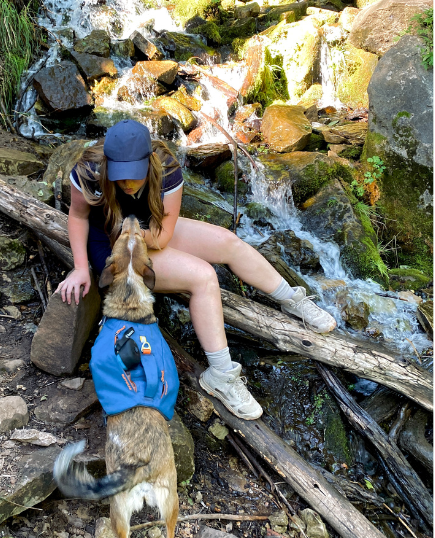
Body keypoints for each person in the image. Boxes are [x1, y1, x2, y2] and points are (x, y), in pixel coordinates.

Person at [56, 119, 337, 420]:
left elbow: (162, 236)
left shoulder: (165, 166)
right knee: (203, 276)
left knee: (227, 241)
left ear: (147, 162)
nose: (126, 184)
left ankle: (293, 300)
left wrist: (138, 232)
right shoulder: (90, 170)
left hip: (148, 230)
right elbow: (78, 216)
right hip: (112, 244)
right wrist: (81, 268)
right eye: (120, 176)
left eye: (134, 176)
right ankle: (221, 375)